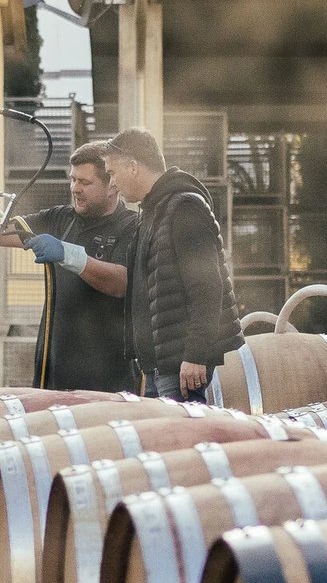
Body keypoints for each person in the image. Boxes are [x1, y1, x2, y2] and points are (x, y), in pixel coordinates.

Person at [0, 140, 137, 392]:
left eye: (85, 183)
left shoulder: (131, 226)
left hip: (109, 375)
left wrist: (69, 254)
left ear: (112, 185)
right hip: (54, 367)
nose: (75, 189)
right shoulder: (60, 218)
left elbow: (122, 282)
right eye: (73, 180)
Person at [103, 127, 242, 401]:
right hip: (160, 366)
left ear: (132, 167)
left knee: (182, 441)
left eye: (111, 173)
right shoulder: (151, 213)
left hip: (182, 367)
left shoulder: (184, 208)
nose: (112, 184)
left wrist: (195, 356)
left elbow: (207, 287)